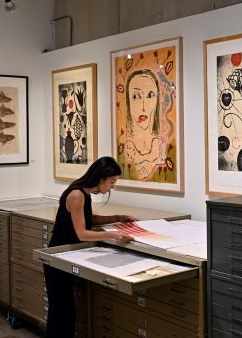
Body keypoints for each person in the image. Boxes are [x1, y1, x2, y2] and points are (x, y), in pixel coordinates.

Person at [44, 156, 136, 338]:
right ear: (101, 177)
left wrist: (118, 217)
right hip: (58, 257)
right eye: (112, 182)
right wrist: (113, 234)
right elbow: (82, 233)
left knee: (65, 309)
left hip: (68, 254)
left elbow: (90, 220)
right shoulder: (77, 195)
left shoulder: (84, 192)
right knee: (61, 311)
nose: (112, 187)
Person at [124, 69, 167, 179]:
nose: (143, 107)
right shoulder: (128, 147)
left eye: (150, 95)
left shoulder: (159, 145)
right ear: (128, 103)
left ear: (157, 101)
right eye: (136, 96)